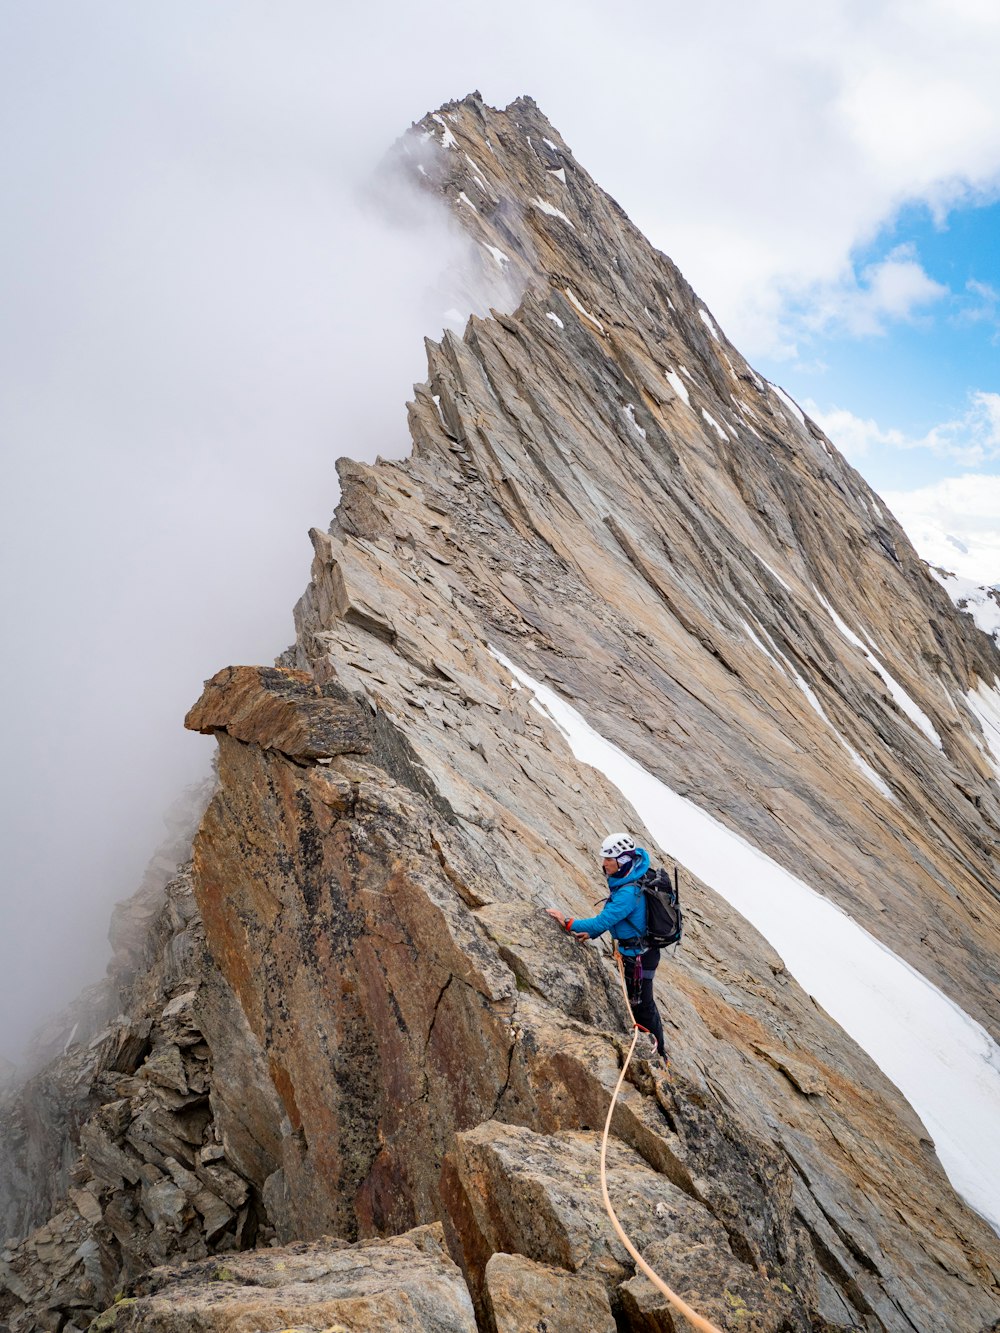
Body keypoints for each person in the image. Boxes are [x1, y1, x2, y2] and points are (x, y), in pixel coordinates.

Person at [547, 832, 666, 1058]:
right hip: (639, 952)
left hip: (639, 957)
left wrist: (567, 922)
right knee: (640, 1003)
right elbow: (615, 918)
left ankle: (659, 1053)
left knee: (643, 1006)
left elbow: (603, 920)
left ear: (621, 861)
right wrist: (592, 934)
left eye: (608, 860)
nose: (603, 864)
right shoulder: (630, 878)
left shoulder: (628, 892)